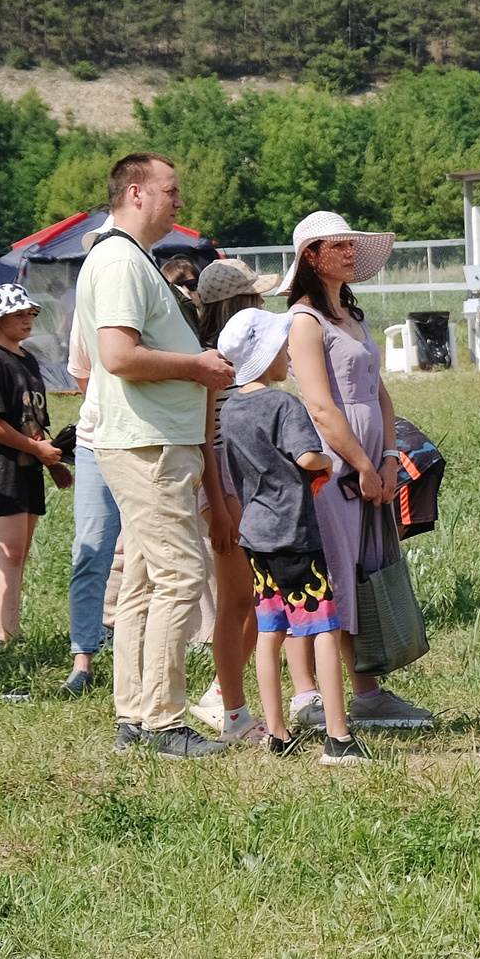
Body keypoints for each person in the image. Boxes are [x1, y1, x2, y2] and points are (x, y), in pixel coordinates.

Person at [74, 153, 237, 757]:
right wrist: (198, 365)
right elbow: (117, 355)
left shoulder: (127, 259)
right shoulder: (119, 260)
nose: (180, 201)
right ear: (136, 193)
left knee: (144, 582)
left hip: (152, 441)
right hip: (147, 445)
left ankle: (134, 715)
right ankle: (165, 722)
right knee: (181, 575)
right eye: (173, 190)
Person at [283, 210, 434, 732]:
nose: (350, 252)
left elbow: (380, 393)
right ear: (311, 256)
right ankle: (315, 698)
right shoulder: (306, 321)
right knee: (335, 575)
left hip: (372, 461)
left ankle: (366, 691)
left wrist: (391, 457)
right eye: (338, 245)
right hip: (336, 465)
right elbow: (322, 408)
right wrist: (365, 466)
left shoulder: (353, 315)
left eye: (353, 244)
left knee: (368, 570)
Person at [216, 307, 365, 764]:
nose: (288, 354)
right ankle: (338, 738)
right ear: (263, 357)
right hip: (295, 534)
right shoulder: (283, 404)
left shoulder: (232, 407)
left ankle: (277, 733)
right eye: (281, 349)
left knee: (269, 629)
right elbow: (305, 458)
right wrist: (329, 462)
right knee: (323, 627)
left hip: (256, 536)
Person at [185, 258, 278, 744]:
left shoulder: (237, 358)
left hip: (245, 483)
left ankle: (225, 691)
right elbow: (206, 438)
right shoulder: (212, 364)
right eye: (256, 297)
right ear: (240, 303)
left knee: (255, 597)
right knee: (240, 598)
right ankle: (229, 704)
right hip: (224, 482)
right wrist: (218, 503)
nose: (263, 302)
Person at [0, 284, 70, 645]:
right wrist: (36, 449)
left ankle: (12, 630)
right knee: (10, 550)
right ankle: (3, 634)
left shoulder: (26, 359)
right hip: (1, 465)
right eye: (18, 314)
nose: (27, 318)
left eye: (30, 313)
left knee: (21, 553)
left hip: (28, 463)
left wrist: (51, 461)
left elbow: (32, 419)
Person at [61, 315, 117, 699]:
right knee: (90, 550)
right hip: (96, 441)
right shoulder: (88, 305)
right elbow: (82, 373)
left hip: (149, 438)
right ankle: (83, 660)